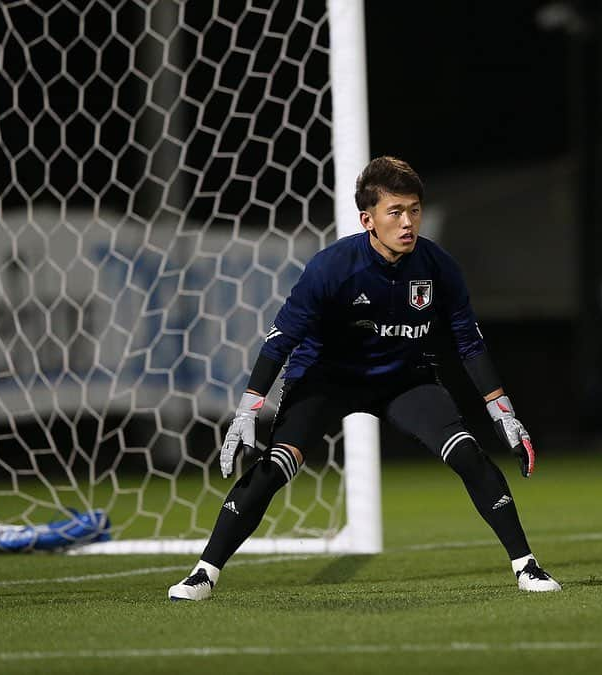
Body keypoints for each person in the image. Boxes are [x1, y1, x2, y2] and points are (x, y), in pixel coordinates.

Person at [168, 157, 561, 600]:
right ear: (367, 219)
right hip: (325, 379)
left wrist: (502, 411)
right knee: (273, 467)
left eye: (414, 209)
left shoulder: (439, 266)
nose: (408, 222)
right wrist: (248, 409)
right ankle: (204, 573)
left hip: (405, 381)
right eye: (395, 212)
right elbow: (281, 339)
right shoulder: (331, 267)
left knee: (469, 454)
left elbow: (468, 342)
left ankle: (527, 567)